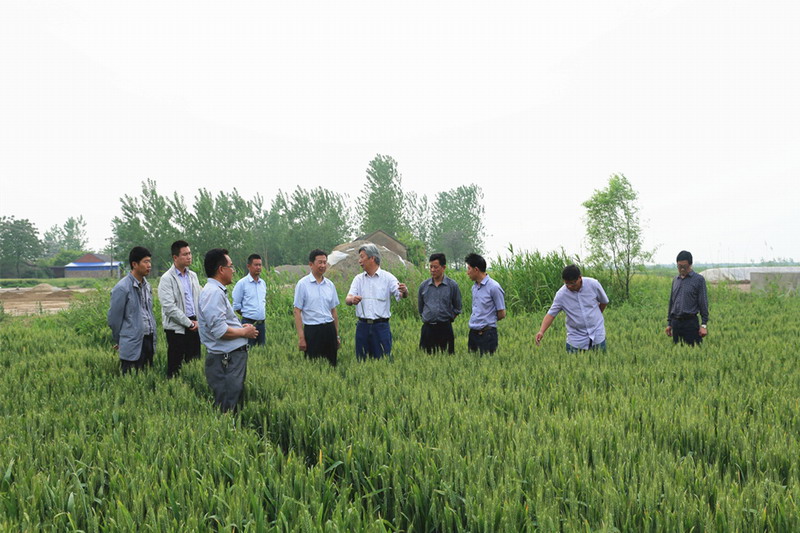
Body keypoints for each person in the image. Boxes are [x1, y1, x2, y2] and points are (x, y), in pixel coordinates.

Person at [198, 248, 258, 412]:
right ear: (221, 269)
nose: (233, 270)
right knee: (227, 405)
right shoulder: (213, 293)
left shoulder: (215, 291)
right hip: (226, 360)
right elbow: (220, 331)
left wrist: (239, 328)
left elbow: (221, 324)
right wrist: (244, 333)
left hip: (229, 359)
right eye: (231, 266)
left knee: (232, 401)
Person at [345, 243, 408, 360]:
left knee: (383, 361)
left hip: (381, 328)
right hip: (362, 327)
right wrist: (352, 299)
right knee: (362, 361)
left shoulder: (388, 278)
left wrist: (404, 291)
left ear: (372, 258)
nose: (359, 261)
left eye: (362, 257)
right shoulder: (358, 279)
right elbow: (347, 299)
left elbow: (400, 294)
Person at [535, 265, 609, 353]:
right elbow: (551, 314)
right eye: (567, 283)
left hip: (597, 334)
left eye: (573, 283)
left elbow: (604, 301)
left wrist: (596, 316)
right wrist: (541, 331)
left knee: (600, 360)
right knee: (573, 361)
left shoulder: (593, 284)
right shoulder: (561, 295)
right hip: (576, 339)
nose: (570, 286)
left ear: (580, 278)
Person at [107, 246, 157, 374]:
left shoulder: (147, 286)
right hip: (132, 343)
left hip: (148, 340)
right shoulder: (122, 288)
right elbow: (114, 320)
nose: (149, 265)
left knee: (147, 378)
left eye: (149, 262)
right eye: (145, 262)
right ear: (134, 264)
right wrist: (121, 340)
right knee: (131, 379)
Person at [158, 240, 202, 377]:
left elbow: (199, 299)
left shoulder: (193, 276)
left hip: (195, 324)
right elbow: (169, 307)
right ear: (175, 257)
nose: (189, 257)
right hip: (177, 328)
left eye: (190, 253)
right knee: (175, 367)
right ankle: (173, 388)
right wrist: (189, 323)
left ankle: (192, 386)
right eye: (185, 254)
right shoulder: (167, 279)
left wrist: (198, 322)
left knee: (194, 364)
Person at [293, 249, 341, 366]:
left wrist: (336, 335)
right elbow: (297, 311)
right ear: (311, 264)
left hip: (329, 329)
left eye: (325, 262)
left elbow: (333, 311)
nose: (323, 265)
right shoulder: (303, 284)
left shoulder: (330, 285)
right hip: (312, 331)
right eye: (320, 262)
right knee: (313, 366)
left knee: (331, 365)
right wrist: (301, 338)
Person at [417, 252, 462, 354]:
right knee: (425, 358)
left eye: (435, 267)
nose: (432, 270)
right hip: (428, 329)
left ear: (443, 267)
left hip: (445, 328)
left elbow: (457, 307)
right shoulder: (424, 286)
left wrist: (448, 318)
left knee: (446, 358)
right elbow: (421, 308)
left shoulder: (452, 285)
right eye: (431, 267)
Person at [465, 253, 506, 354]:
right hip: (473, 333)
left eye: (469, 269)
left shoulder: (494, 287)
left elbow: (501, 313)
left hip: (487, 335)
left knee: (488, 361)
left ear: (476, 269)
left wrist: (488, 321)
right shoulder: (474, 287)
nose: (467, 272)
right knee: (472, 361)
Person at [666, 250, 709, 346]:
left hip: (690, 323)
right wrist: (669, 323)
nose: (682, 269)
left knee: (694, 351)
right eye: (679, 266)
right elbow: (672, 303)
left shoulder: (698, 280)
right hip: (676, 323)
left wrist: (703, 325)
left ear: (690, 265)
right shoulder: (675, 280)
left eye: (684, 266)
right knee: (677, 351)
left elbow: (703, 303)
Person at [232, 254, 267, 346]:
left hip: (261, 324)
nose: (258, 267)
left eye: (260, 265)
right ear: (248, 266)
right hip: (248, 324)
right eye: (256, 265)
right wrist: (248, 316)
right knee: (249, 349)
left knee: (262, 350)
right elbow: (236, 306)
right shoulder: (242, 284)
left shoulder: (262, 283)